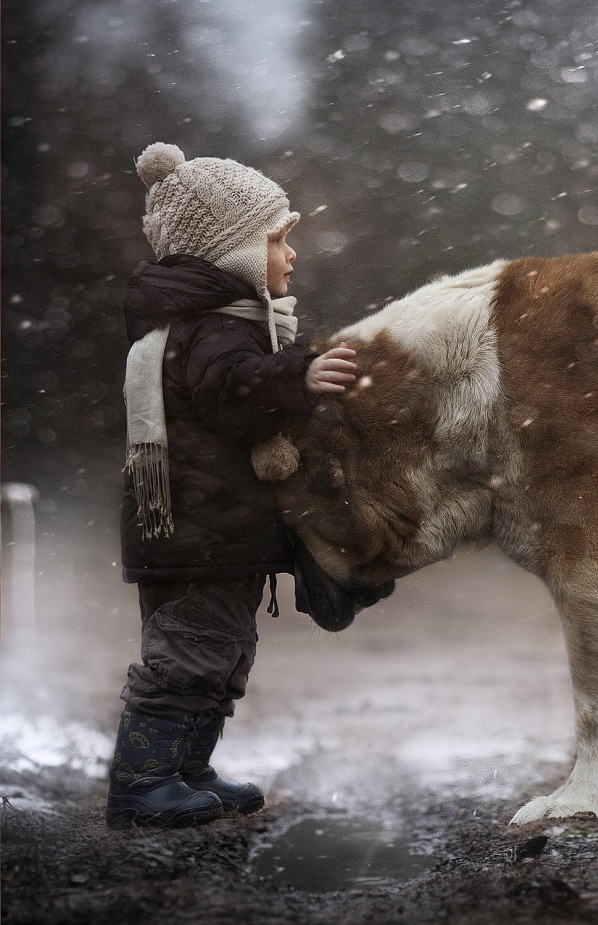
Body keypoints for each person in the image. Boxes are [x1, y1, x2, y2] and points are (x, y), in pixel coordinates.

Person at [105, 142, 357, 829]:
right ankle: (142, 782)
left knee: (220, 651)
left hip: (210, 529)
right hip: (198, 529)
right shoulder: (213, 330)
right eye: (277, 239)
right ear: (233, 250)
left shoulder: (217, 323)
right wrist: (297, 378)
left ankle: (186, 769)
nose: (291, 254)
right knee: (188, 652)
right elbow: (233, 395)